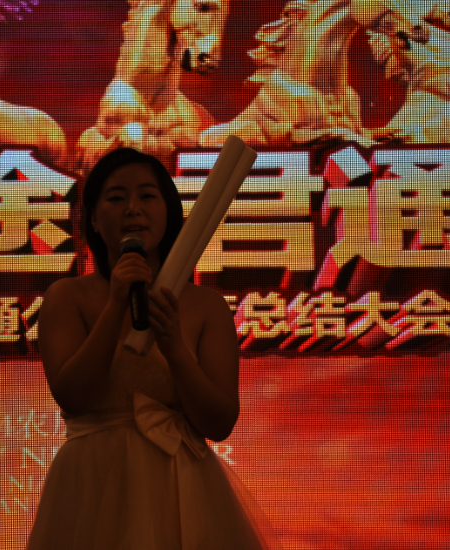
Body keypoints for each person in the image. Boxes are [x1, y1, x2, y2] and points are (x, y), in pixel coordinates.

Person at [27, 148, 281, 550]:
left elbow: (219, 423)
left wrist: (175, 349)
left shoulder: (206, 305)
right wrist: (116, 304)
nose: (133, 208)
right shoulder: (66, 297)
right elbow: (73, 396)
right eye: (116, 198)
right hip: (91, 483)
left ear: (169, 212)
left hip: (182, 484)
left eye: (147, 195)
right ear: (93, 219)